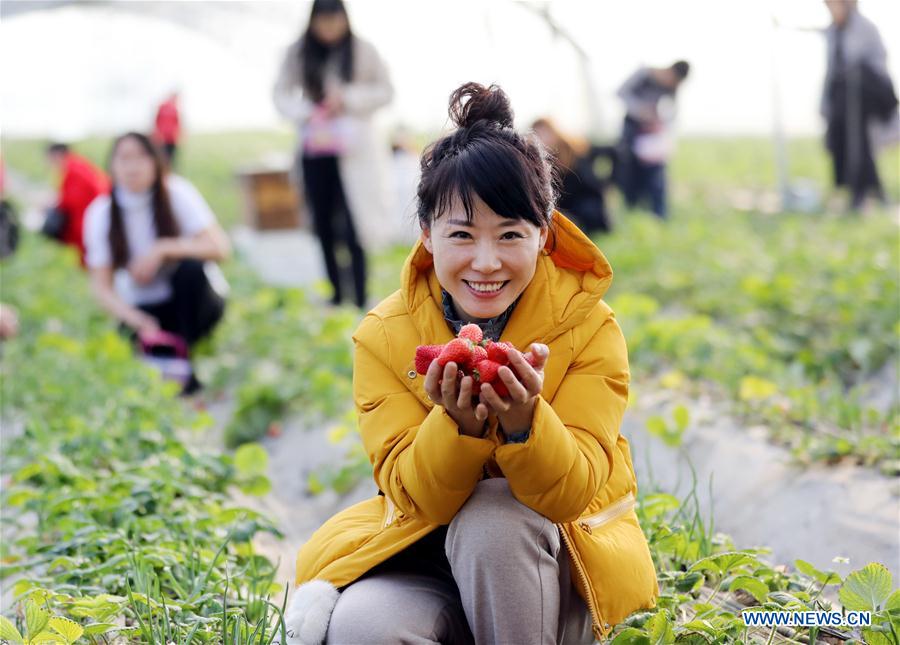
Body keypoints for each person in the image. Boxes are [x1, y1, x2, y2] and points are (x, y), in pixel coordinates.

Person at [284, 83, 658, 645]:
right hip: (430, 558)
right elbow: (415, 497)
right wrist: (456, 426)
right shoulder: (383, 337)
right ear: (427, 236)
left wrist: (525, 423)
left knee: (493, 516)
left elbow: (572, 494)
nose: (486, 263)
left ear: (544, 235)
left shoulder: (589, 328)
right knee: (363, 626)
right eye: (461, 234)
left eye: (510, 235)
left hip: (554, 569)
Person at [83, 132, 230, 391]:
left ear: (156, 162)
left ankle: (187, 358)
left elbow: (220, 248)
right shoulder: (101, 213)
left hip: (192, 306)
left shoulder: (176, 193)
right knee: (144, 359)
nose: (133, 167)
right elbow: (101, 287)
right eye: (124, 159)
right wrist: (136, 319)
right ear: (112, 166)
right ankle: (170, 363)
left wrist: (163, 249)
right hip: (143, 311)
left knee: (191, 269)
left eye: (141, 157)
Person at [273, 0, 394, 308]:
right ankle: (337, 293)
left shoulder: (363, 50)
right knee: (323, 223)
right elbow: (280, 94)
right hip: (316, 149)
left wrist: (348, 99)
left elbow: (386, 91)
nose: (328, 28)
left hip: (355, 153)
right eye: (323, 21)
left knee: (355, 225)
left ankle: (360, 294)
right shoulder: (298, 52)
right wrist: (307, 111)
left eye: (334, 20)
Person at [821, 0, 898, 210]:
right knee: (845, 140)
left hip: (864, 94)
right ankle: (869, 189)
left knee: (859, 142)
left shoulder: (864, 28)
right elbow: (831, 67)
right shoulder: (833, 31)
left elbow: (876, 61)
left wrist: (855, 70)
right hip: (843, 97)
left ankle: (862, 191)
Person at [616, 60, 690, 219]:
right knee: (629, 172)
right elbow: (620, 93)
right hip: (632, 130)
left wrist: (660, 122)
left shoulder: (673, 87)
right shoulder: (644, 73)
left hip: (653, 136)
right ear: (669, 71)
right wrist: (641, 110)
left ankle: (658, 215)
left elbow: (673, 113)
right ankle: (631, 210)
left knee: (656, 176)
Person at [532, 117, 616, 235]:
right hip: (564, 209)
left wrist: (607, 182)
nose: (542, 138)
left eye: (544, 132)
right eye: (538, 134)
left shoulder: (573, 150)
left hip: (586, 206)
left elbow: (589, 183)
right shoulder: (538, 160)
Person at [46, 143, 110, 264]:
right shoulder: (78, 164)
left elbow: (72, 199)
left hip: (85, 222)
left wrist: (55, 204)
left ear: (57, 155)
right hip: (89, 219)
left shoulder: (72, 169)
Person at [153, 91, 182, 168]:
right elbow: (157, 121)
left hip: (172, 138)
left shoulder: (175, 108)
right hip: (163, 138)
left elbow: (177, 124)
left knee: (171, 158)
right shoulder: (164, 107)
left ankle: (168, 170)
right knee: (164, 157)